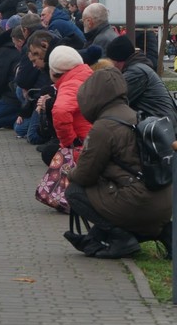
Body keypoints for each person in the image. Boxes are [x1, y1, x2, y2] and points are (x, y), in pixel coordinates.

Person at [65, 67, 173, 259]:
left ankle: (121, 239)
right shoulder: (137, 115)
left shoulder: (103, 127)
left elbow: (84, 176)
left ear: (92, 97)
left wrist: (69, 171)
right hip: (165, 204)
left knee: (74, 192)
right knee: (115, 190)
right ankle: (165, 233)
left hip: (140, 204)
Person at [104, 35, 177, 127]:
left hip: (161, 127)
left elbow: (115, 100)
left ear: (117, 60)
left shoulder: (136, 73)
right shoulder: (138, 67)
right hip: (160, 122)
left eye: (111, 61)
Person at [48, 45, 93, 152]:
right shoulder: (88, 76)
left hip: (83, 145)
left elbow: (61, 111)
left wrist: (70, 142)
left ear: (54, 71)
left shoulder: (70, 85)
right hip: (95, 139)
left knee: (51, 154)